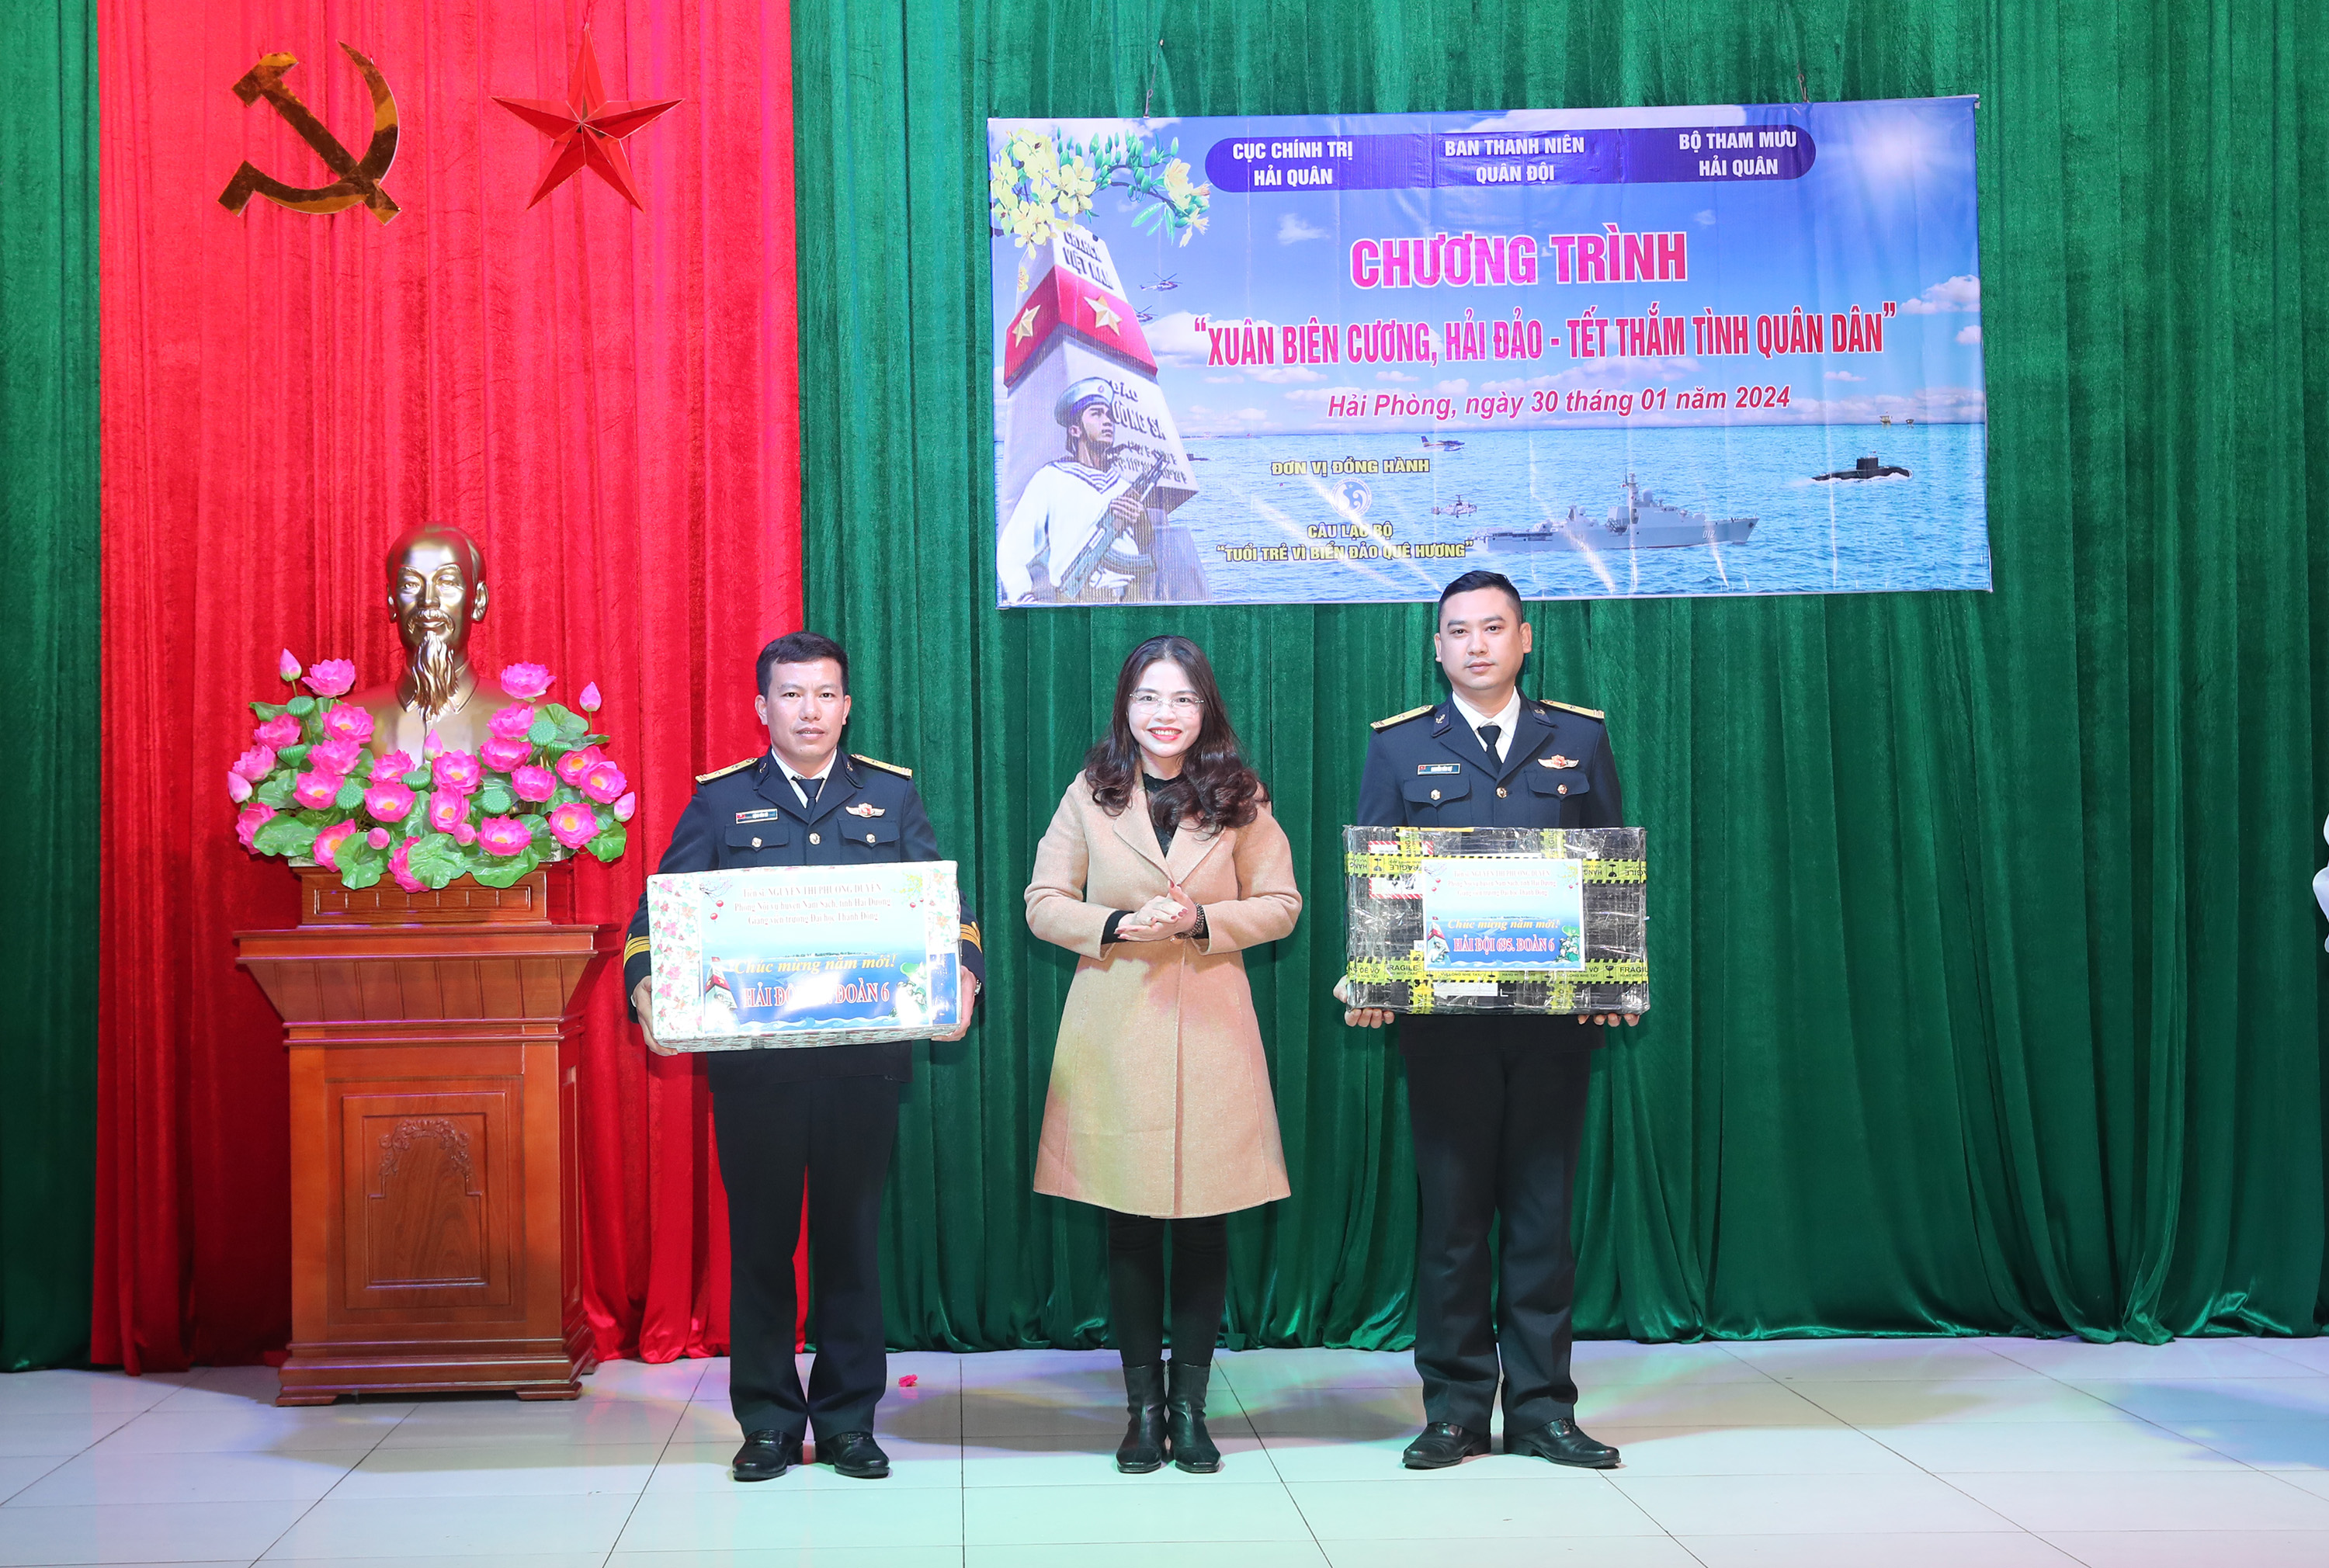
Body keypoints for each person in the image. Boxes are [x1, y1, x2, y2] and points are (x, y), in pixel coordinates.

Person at [623, 631, 983, 1483]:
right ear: (763, 708)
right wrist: (648, 990)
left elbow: (945, 908)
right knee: (761, 1247)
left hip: (864, 1067)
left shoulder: (890, 796)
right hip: (757, 1074)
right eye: (792, 694)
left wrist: (963, 977)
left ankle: (850, 1421)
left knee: (850, 1244)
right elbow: (656, 918)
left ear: (847, 707)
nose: (809, 710)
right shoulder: (720, 803)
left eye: (825, 694)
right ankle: (770, 1423)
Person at [1338, 569, 1640, 1472]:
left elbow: (1606, 860)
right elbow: (1382, 871)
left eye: (1493, 627)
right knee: (1454, 1221)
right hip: (1445, 1027)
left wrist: (1613, 977)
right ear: (1437, 648)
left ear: (1524, 638)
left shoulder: (1578, 737)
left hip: (1553, 1026)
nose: (1477, 644)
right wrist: (1375, 978)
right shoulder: (1399, 746)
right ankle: (1457, 1411)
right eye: (1459, 630)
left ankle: (1544, 1410)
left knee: (1544, 1218)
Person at [1024, 635, 1301, 1473]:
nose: (1165, 714)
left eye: (1182, 698)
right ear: (1126, 707)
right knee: (1131, 1225)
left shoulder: (1240, 794)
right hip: (1115, 1029)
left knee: (1208, 1224)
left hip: (1212, 1027)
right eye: (1148, 697)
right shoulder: (1091, 791)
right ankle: (1143, 1412)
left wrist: (1204, 922)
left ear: (1205, 708)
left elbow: (1282, 903)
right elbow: (1042, 901)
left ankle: (1191, 1409)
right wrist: (1114, 924)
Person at [349, 522, 529, 761]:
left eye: (447, 583)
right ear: (392, 601)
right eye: (410, 584)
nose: (428, 600)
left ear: (479, 601)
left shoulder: (533, 722)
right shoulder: (341, 726)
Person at [997, 377, 1151, 603]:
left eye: (1109, 415)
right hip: (1077, 602)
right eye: (1097, 414)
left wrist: (1141, 519)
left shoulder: (1123, 486)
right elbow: (1011, 550)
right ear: (1075, 429)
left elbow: (1148, 550)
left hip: (1133, 599)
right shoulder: (1050, 479)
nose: (1107, 422)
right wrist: (1022, 599)